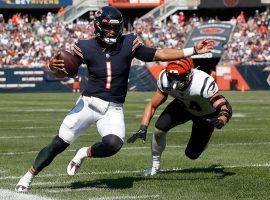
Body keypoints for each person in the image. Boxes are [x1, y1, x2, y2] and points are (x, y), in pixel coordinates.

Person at [15, 6, 214, 192]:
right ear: (98, 27)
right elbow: (64, 72)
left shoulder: (128, 43)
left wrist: (193, 51)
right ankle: (27, 177)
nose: (111, 31)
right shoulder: (84, 46)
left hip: (113, 107)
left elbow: (158, 54)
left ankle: (84, 153)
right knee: (59, 143)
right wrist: (54, 68)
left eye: (115, 27)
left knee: (114, 144)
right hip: (88, 103)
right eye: (108, 27)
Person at [127, 57, 232, 176]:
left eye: (179, 77)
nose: (175, 82)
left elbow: (225, 106)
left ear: (190, 74)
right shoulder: (164, 79)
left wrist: (221, 120)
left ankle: (205, 139)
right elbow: (152, 105)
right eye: (172, 77)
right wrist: (143, 127)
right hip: (182, 106)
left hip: (205, 114)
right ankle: (154, 165)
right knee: (159, 128)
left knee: (192, 154)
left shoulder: (202, 82)